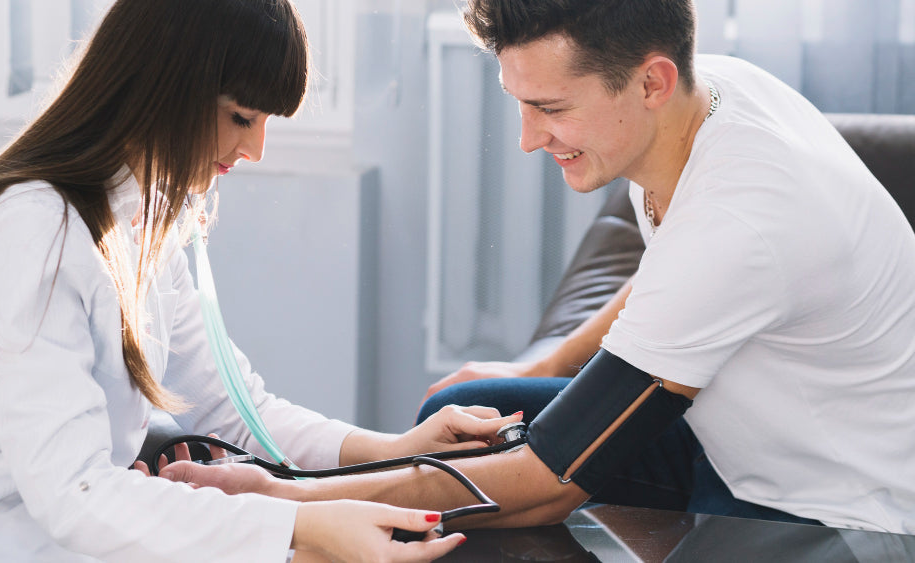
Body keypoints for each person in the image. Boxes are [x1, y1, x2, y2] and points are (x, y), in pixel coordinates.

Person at [154, 0, 915, 535]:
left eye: (550, 107)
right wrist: (539, 362)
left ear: (649, 81)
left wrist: (286, 496)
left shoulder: (745, 217)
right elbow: (677, 269)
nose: (527, 139)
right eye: (520, 104)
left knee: (495, 479)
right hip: (733, 434)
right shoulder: (708, 91)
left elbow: (548, 483)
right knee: (472, 413)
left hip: (832, 509)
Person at [0, 1, 524, 561]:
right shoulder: (30, 231)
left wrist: (394, 447)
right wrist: (296, 530)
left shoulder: (139, 218)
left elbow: (239, 412)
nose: (255, 148)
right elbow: (74, 495)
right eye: (241, 116)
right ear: (165, 88)